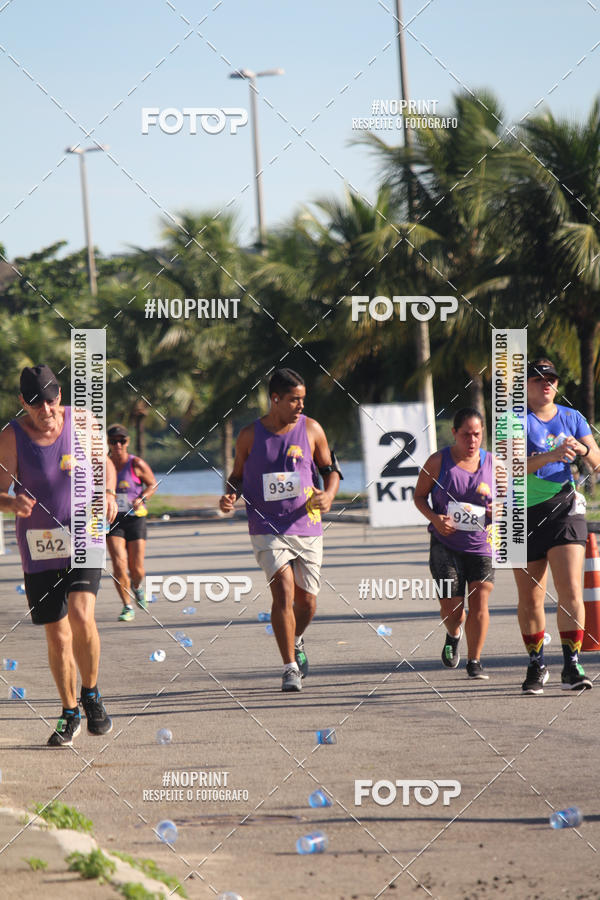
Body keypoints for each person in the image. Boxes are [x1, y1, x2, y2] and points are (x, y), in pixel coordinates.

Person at [0, 365, 118, 747]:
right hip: (40, 543)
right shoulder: (11, 438)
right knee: (58, 634)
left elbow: (105, 467)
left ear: (60, 394)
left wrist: (112, 494)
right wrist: (10, 501)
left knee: (83, 614)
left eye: (52, 400)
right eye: (37, 405)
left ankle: (92, 693)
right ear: (23, 402)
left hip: (85, 531)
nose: (47, 410)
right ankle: (69, 712)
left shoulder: (82, 422)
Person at [219, 368, 341, 692]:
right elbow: (238, 475)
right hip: (266, 526)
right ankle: (289, 667)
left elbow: (330, 470)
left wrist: (328, 494)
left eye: (303, 399)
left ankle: (296, 639)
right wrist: (231, 493)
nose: (300, 406)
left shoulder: (312, 429)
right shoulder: (249, 435)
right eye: (293, 400)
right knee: (283, 590)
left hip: (307, 524)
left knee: (308, 603)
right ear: (275, 399)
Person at [515, 358, 600, 694]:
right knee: (530, 599)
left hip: (564, 509)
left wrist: (582, 450)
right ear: (526, 386)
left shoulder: (572, 417)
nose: (546, 384)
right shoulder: (513, 421)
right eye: (538, 379)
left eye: (550, 379)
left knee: (571, 592)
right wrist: (551, 456)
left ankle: (571, 664)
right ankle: (536, 664)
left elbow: (596, 460)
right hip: (519, 514)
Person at [414, 408, 496, 679]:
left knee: (480, 601)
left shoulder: (494, 465)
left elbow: (510, 503)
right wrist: (435, 518)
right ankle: (453, 633)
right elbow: (419, 497)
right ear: (454, 434)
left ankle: (475, 661)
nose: (472, 441)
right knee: (454, 610)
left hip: (482, 545)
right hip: (445, 544)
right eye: (466, 435)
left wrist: (500, 511)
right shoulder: (438, 461)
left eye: (477, 435)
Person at [106, 424, 157, 621]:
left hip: (135, 517)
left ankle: (137, 587)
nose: (118, 445)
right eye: (113, 441)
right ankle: (127, 606)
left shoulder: (136, 463)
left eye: (122, 440)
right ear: (108, 443)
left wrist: (142, 497)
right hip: (112, 519)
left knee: (136, 568)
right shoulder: (103, 465)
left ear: (128, 442)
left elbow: (153, 484)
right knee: (119, 565)